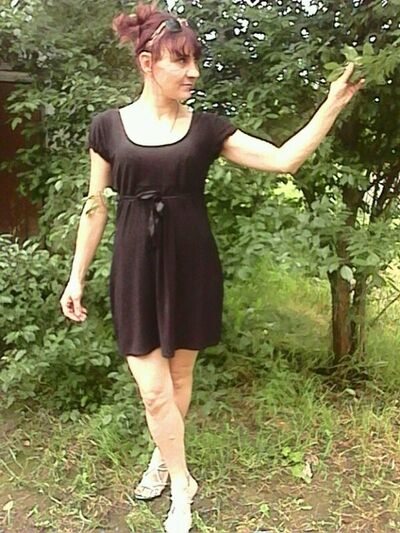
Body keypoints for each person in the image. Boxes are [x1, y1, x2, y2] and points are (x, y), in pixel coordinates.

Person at [60, 1, 364, 531]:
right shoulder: (107, 127)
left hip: (191, 265)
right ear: (147, 63)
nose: (194, 72)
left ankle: (163, 459)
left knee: (178, 378)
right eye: (181, 60)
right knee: (152, 389)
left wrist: (332, 103)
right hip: (134, 267)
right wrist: (76, 276)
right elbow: (95, 206)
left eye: (196, 60)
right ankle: (183, 485)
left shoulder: (207, 130)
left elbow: (284, 159)